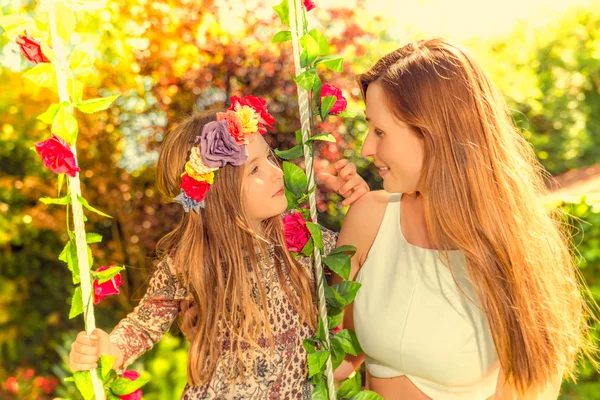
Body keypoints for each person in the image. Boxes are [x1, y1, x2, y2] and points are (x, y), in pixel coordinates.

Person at [333, 38, 594, 400]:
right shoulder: (369, 218)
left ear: (432, 135)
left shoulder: (516, 248)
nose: (366, 148)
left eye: (380, 131)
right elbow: (339, 355)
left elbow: (527, 389)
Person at [68, 96, 369, 398]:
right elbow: (142, 327)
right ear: (218, 194)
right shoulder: (190, 261)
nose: (276, 172)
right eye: (253, 170)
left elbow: (361, 257)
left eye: (269, 159)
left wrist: (361, 205)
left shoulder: (300, 237)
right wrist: (110, 349)